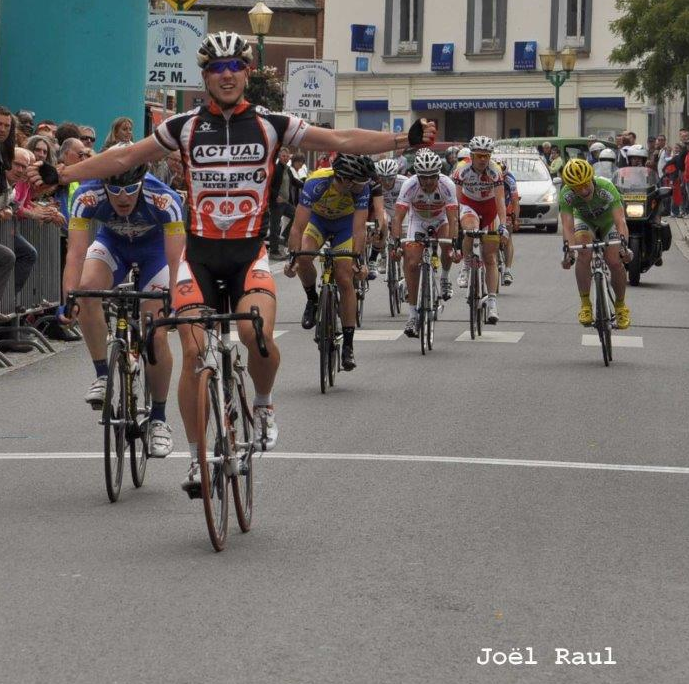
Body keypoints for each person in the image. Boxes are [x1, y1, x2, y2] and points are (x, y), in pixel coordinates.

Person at [28, 30, 435, 491]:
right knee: (194, 354)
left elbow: (342, 137)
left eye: (235, 66)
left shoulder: (272, 124)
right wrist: (63, 174)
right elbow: (124, 156)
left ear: (246, 73)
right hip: (199, 257)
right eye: (217, 68)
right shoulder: (182, 126)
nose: (227, 75)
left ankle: (262, 403)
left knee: (254, 334)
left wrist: (404, 140)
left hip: (247, 254)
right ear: (205, 76)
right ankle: (198, 458)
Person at [65, 146, 185, 456]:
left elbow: (176, 260)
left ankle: (158, 419)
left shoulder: (165, 199)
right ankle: (102, 375)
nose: (122, 197)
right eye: (114, 189)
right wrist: (69, 298)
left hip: (155, 254)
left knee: (155, 332)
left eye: (130, 190)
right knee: (87, 289)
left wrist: (174, 300)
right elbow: (76, 253)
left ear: (143, 182)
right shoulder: (87, 196)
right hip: (112, 246)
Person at [286, 154, 374, 372]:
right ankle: (312, 300)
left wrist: (359, 260)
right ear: (344, 179)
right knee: (305, 256)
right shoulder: (317, 182)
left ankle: (348, 345)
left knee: (345, 278)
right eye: (359, 182)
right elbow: (298, 226)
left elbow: (359, 228)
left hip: (345, 226)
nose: (363, 186)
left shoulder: (361, 188)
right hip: (318, 221)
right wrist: (293, 258)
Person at [390, 149, 458, 337]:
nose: (428, 181)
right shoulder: (410, 186)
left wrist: (455, 244)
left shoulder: (447, 185)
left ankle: (444, 278)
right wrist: (395, 243)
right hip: (418, 221)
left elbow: (453, 220)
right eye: (424, 177)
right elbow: (397, 218)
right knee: (411, 263)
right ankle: (412, 315)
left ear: (438, 174)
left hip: (441, 219)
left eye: (432, 177)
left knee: (446, 245)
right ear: (417, 175)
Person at [559, 158, 632, 329]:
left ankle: (620, 306)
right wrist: (569, 253)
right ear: (570, 187)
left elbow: (620, 221)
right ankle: (585, 305)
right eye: (577, 188)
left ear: (591, 178)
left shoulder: (605, 187)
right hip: (584, 222)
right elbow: (568, 227)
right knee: (583, 253)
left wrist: (624, 247)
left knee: (615, 261)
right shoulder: (566, 194)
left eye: (585, 184)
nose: (583, 191)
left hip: (608, 223)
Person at [453, 135, 507, 324]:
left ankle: (492, 301)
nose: (483, 159)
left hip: (490, 208)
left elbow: (500, 200)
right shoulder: (462, 170)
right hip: (469, 205)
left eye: (486, 155)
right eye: (479, 156)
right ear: (472, 155)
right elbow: (456, 200)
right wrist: (456, 224)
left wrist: (503, 225)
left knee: (490, 257)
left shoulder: (495, 171)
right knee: (471, 228)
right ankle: (467, 265)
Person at [367, 157, 409, 280]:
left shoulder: (405, 182)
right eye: (383, 179)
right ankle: (379, 257)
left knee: (404, 240)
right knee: (381, 224)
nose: (386, 182)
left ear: (396, 175)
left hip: (401, 212)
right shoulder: (374, 184)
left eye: (390, 178)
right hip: (384, 210)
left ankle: (405, 272)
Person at [268, 146, 296, 259]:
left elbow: (294, 181)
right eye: (283, 156)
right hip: (276, 203)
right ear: (279, 156)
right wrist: (276, 196)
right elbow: (268, 185)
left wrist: (307, 184)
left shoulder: (287, 169)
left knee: (297, 215)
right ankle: (273, 252)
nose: (285, 158)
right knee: (274, 226)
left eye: (287, 156)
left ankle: (284, 237)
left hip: (285, 202)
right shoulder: (276, 168)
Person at [498, 156, 520, 286]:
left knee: (508, 237)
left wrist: (515, 218)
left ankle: (507, 270)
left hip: (507, 206)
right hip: (492, 207)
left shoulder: (510, 179)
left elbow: (515, 201)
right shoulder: (488, 176)